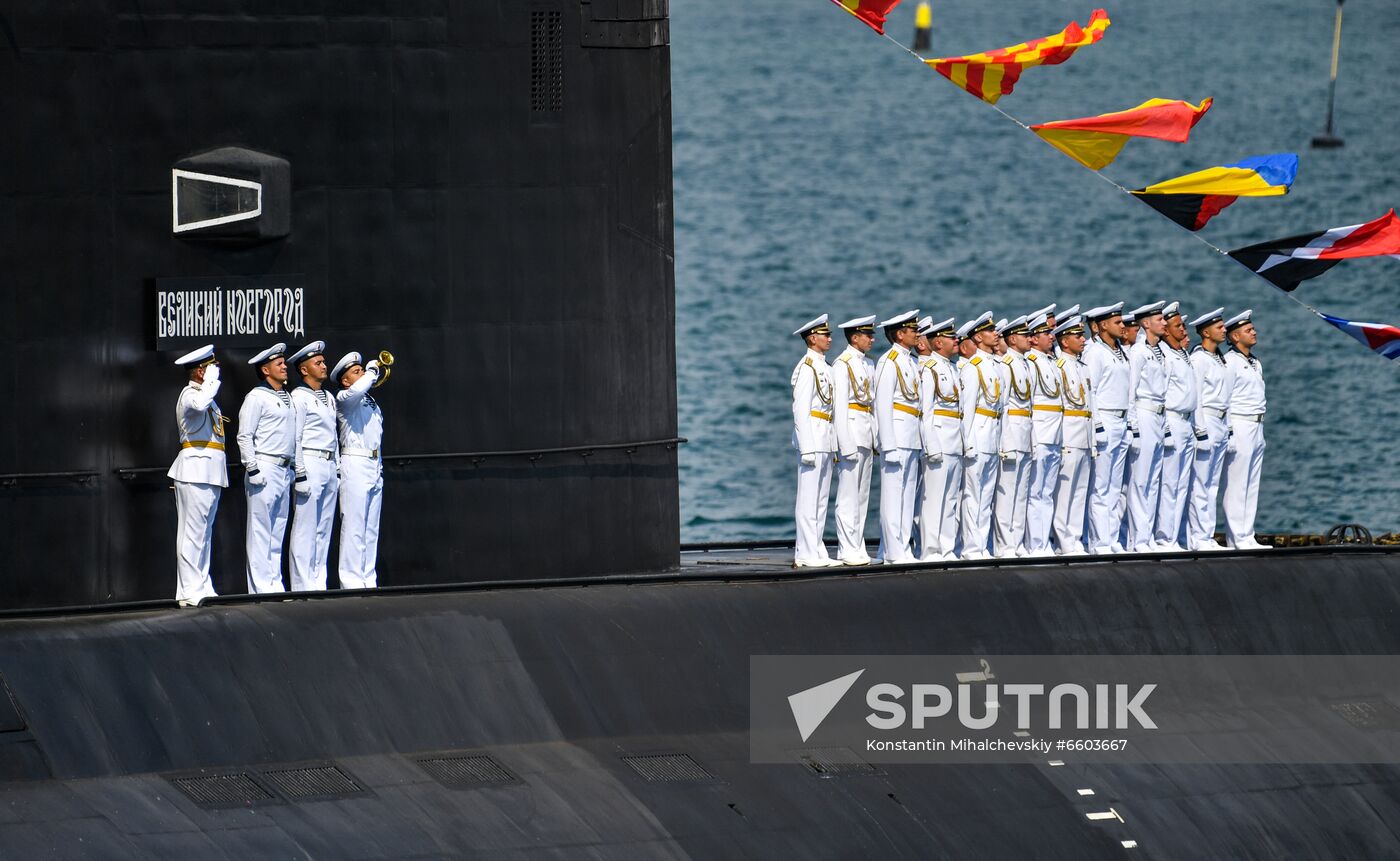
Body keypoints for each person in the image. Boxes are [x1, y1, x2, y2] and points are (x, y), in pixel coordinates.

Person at [168, 345, 226, 606]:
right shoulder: (190, 395)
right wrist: (211, 381)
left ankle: (202, 584)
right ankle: (188, 590)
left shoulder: (207, 396)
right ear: (201, 371)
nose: (217, 372)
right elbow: (201, 403)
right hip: (194, 469)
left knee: (204, 533)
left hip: (210, 471)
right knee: (191, 533)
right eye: (212, 368)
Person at [236, 343, 295, 593]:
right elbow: (244, 435)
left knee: (278, 527)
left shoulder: (287, 396)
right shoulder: (256, 397)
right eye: (278, 363)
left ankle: (274, 582)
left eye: (284, 362)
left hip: (284, 468)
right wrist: (253, 468)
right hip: (265, 465)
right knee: (261, 529)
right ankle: (260, 587)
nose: (284, 366)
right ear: (265, 369)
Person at [333, 350, 389, 586]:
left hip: (373, 463)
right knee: (354, 526)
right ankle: (351, 582)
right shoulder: (345, 398)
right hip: (354, 463)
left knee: (370, 529)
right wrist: (373, 370)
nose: (364, 374)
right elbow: (358, 389)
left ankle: (368, 578)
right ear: (345, 380)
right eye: (357, 372)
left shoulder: (369, 401)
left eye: (362, 370)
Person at [287, 340, 339, 591]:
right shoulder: (298, 397)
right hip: (310, 460)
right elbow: (295, 436)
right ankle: (302, 584)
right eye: (317, 363)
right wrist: (300, 472)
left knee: (323, 526)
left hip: (328, 463)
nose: (323, 365)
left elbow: (334, 435)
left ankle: (318, 581)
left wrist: (337, 469)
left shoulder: (328, 397)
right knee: (305, 525)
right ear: (304, 369)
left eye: (323, 361)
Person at [874, 310, 923, 564]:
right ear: (900, 334)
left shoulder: (911, 362)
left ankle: (901, 547)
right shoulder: (889, 361)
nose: (917, 333)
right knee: (893, 496)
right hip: (897, 436)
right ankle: (893, 551)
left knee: (906, 496)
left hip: (912, 436)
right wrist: (888, 443)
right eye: (912, 330)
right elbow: (882, 405)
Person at [1081, 303, 1130, 555]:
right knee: (1100, 486)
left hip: (1121, 420)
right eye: (1117, 322)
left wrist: (1130, 423)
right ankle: (1099, 542)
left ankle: (1111, 539)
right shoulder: (1095, 352)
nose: (1123, 325)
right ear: (1101, 326)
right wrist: (1098, 425)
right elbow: (1092, 390)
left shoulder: (1121, 351)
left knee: (1114, 484)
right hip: (1106, 420)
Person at [1220, 310, 1270, 550]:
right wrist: (1228, 431)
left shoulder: (1254, 362)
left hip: (1256, 425)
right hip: (1240, 423)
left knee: (1252, 483)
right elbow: (1225, 398)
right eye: (1248, 330)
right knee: (1238, 483)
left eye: (1253, 328)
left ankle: (1247, 534)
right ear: (1235, 337)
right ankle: (1236, 537)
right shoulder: (1230, 362)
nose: (1254, 332)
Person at [831, 315, 878, 565]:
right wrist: (844, 443)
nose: (872, 339)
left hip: (866, 434)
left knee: (862, 495)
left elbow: (871, 405)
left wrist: (876, 437)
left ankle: (857, 544)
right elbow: (840, 408)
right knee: (848, 495)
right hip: (851, 432)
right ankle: (845, 547)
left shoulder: (868, 364)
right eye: (867, 335)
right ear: (854, 337)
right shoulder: (843, 364)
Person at [917, 318, 963, 561]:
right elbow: (925, 411)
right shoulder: (929, 369)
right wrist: (931, 445)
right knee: (933, 499)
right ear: (937, 342)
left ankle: (946, 548)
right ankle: (931, 550)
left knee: (950, 499)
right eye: (951, 338)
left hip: (955, 441)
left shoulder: (952, 368)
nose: (956, 341)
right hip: (939, 439)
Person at [958, 312, 1002, 560]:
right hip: (977, 433)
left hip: (992, 435)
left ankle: (981, 544)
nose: (995, 334)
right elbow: (967, 409)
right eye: (990, 331)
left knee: (986, 495)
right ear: (978, 336)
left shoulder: (994, 365)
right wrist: (968, 442)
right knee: (973, 495)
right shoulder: (973, 367)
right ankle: (971, 548)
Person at [1124, 301, 1168, 553]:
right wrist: (1133, 427)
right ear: (1146, 323)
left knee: (1152, 480)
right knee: (1140, 481)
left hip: (1158, 416)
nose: (1164, 323)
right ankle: (1137, 540)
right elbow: (1131, 391)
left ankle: (1147, 536)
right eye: (1159, 319)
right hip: (1144, 413)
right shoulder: (1138, 352)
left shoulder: (1157, 351)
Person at [1186, 307, 1231, 551]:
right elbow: (1197, 398)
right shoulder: (1199, 359)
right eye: (1219, 327)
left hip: (1221, 422)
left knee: (1212, 484)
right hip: (1208, 421)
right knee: (1200, 483)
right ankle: (1198, 537)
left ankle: (1207, 534)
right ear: (1206, 332)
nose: (1224, 330)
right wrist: (1200, 430)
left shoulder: (1218, 358)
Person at [1154, 302, 1197, 551]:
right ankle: (1164, 537)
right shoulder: (1166, 356)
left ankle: (1176, 536)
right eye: (1178, 325)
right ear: (1166, 330)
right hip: (1171, 418)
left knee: (1182, 483)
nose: (1183, 329)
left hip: (1187, 421)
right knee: (1168, 483)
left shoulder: (1181, 353)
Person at [1052, 317, 1093, 554]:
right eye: (1078, 336)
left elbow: (1090, 405)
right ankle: (1063, 540)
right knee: (1065, 491)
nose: (1083, 339)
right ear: (1065, 341)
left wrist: (1093, 440)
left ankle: (1075, 537)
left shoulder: (1082, 367)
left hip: (1084, 435)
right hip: (1068, 435)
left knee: (1079, 490)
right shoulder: (1060, 366)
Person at [994, 316, 1033, 557]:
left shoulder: (1025, 363)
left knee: (1021, 492)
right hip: (1012, 431)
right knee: (1007, 492)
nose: (1029, 339)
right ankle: (1005, 544)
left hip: (1026, 431)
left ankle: (1016, 542)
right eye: (1025, 335)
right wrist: (1005, 442)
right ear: (1013, 338)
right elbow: (1003, 407)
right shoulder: (1006, 364)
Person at [1024, 313, 1062, 556]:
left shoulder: (1050, 361)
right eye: (1046, 334)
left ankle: (1043, 541)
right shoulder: (1031, 362)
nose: (1051, 336)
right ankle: (1034, 543)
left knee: (1046, 492)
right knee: (1034, 491)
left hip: (1055, 433)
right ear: (1034, 339)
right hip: (1040, 432)